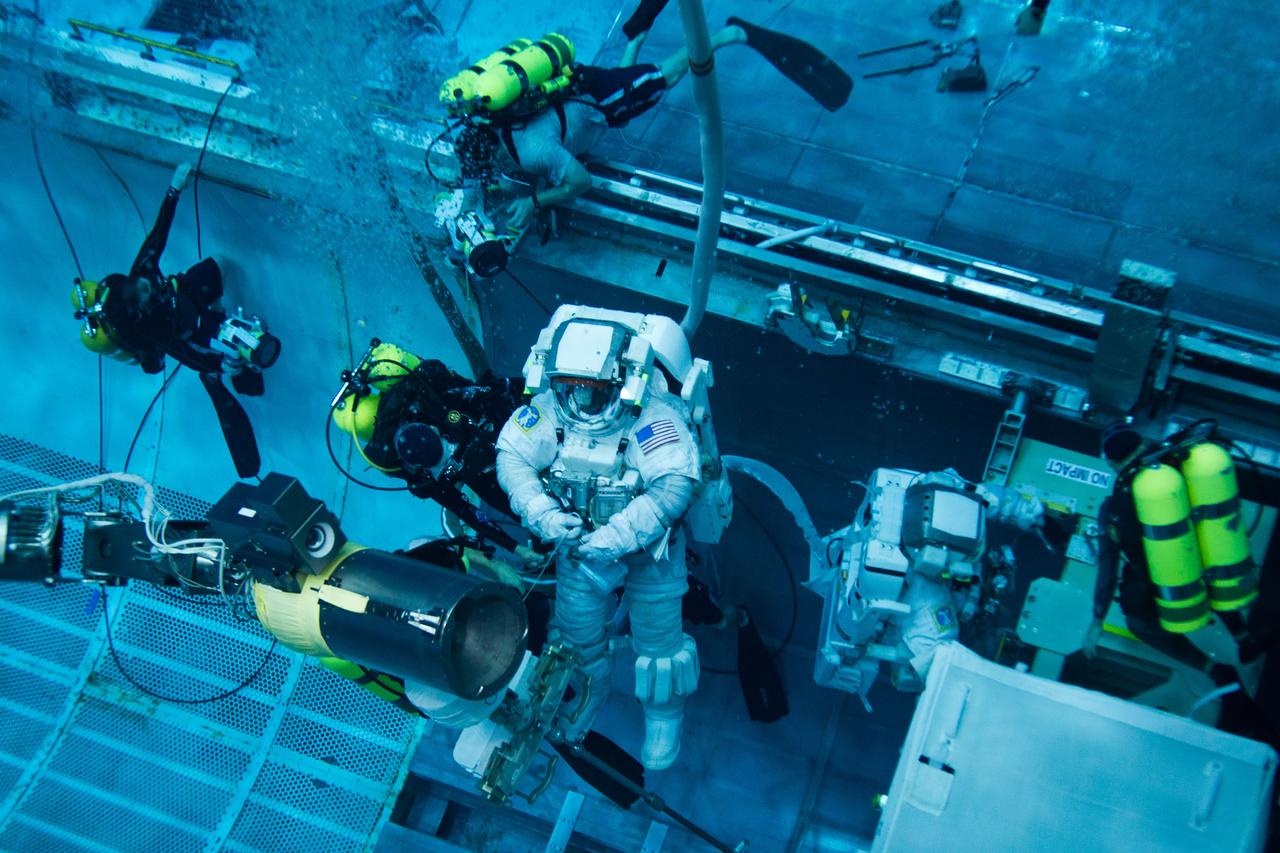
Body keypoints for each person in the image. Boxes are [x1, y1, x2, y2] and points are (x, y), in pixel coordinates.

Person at [495, 308, 710, 770]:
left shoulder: (652, 420)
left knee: (659, 643)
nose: (581, 402)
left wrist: (619, 535)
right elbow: (512, 459)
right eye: (572, 388)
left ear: (622, 380)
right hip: (578, 546)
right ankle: (588, 693)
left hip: (650, 552)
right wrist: (544, 514)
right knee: (574, 638)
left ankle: (663, 714)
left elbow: (673, 488)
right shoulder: (549, 409)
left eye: (593, 392)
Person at [449, 6, 852, 231]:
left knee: (667, 74)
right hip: (582, 92)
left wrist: (535, 200)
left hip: (602, 100)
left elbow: (580, 181)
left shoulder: (535, 150)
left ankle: (731, 35)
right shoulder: (489, 122)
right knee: (625, 80)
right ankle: (637, 30)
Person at [73, 162, 280, 477]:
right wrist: (216, 367)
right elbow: (186, 354)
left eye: (137, 287)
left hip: (183, 293)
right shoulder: (151, 328)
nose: (142, 289)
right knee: (224, 350)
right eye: (139, 297)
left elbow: (158, 237)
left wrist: (174, 190)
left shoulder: (139, 274)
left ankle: (222, 323)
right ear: (138, 310)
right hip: (189, 329)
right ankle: (223, 365)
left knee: (220, 264)